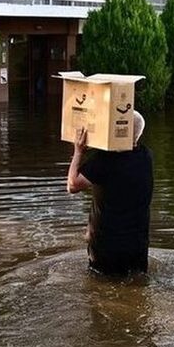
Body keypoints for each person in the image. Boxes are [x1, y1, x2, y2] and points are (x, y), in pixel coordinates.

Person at [65, 112, 154, 277]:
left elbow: (72, 185)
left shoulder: (104, 161)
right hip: (138, 245)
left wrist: (78, 151)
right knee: (136, 281)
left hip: (107, 246)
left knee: (100, 287)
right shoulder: (146, 157)